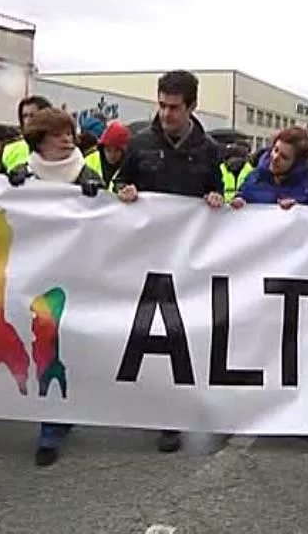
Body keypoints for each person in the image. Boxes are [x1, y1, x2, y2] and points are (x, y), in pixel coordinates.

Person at [116, 70, 224, 454]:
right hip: (147, 256)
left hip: (189, 259)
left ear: (192, 106)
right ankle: (156, 410)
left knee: (183, 335)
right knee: (149, 333)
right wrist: (123, 191)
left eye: (174, 107)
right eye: (161, 105)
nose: (166, 114)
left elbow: (217, 191)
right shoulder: (140, 143)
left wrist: (216, 199)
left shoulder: (208, 149)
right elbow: (119, 183)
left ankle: (177, 414)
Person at [6, 107, 104, 467]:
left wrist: (101, 197)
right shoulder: (21, 176)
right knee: (46, 345)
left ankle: (65, 411)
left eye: (69, 133)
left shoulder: (87, 175)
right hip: (36, 276)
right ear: (40, 141)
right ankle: (50, 426)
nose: (67, 139)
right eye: (57, 134)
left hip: (79, 275)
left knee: (73, 347)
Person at [231, 127, 308, 209]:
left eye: (284, 157)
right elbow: (241, 196)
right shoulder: (254, 177)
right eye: (276, 150)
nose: (275, 158)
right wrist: (238, 201)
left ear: (297, 164)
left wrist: (298, 209)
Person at [1, 96, 53, 173]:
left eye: (33, 115)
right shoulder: (10, 148)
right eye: (24, 116)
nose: (28, 121)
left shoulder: (60, 146)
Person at [83, 120, 131, 188]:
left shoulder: (131, 167)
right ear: (102, 148)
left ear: (124, 151)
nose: (112, 155)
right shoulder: (88, 160)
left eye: (117, 150)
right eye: (108, 150)